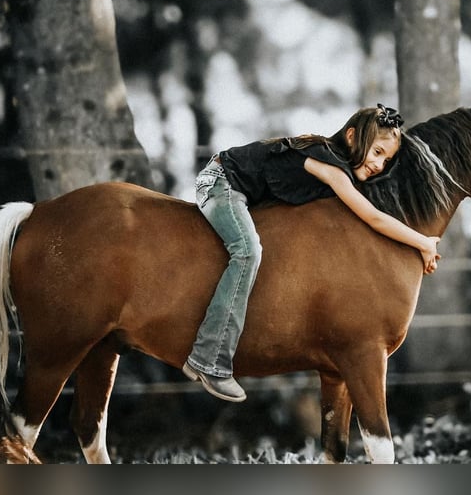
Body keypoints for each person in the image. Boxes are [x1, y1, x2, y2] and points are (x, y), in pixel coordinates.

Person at [183, 104, 441, 401]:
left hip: (240, 191)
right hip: (221, 183)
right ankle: (208, 358)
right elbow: (373, 217)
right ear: (353, 137)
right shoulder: (327, 163)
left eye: (387, 160)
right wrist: (422, 242)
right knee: (247, 251)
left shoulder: (335, 165)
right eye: (378, 152)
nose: (380, 165)